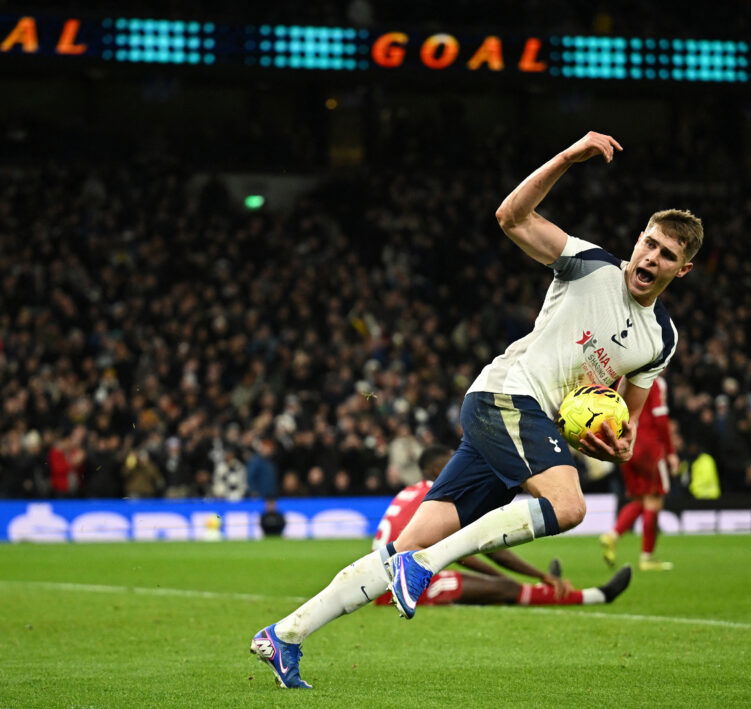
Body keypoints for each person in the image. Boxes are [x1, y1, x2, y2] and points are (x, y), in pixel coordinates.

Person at [250, 131, 703, 689]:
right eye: (650, 243)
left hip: (521, 425)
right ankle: (426, 568)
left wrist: (620, 442)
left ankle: (287, 635)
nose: (652, 258)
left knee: (405, 544)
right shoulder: (589, 265)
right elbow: (511, 217)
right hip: (507, 396)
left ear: (681, 271)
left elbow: (621, 418)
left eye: (668, 256)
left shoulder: (661, 339)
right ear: (638, 240)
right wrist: (568, 157)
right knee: (569, 507)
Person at [374, 445, 632, 608]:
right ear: (434, 469)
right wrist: (534, 575)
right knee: (506, 588)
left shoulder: (410, 492)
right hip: (402, 586)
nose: (457, 467)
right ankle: (596, 596)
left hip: (386, 578)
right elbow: (480, 550)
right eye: (449, 463)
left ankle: (491, 596)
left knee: (493, 587)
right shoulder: (439, 500)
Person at [599, 376, 678, 571]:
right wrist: (670, 452)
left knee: (640, 500)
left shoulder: (623, 381)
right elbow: (660, 419)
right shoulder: (655, 382)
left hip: (626, 445)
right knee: (655, 499)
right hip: (649, 446)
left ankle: (612, 534)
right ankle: (647, 557)